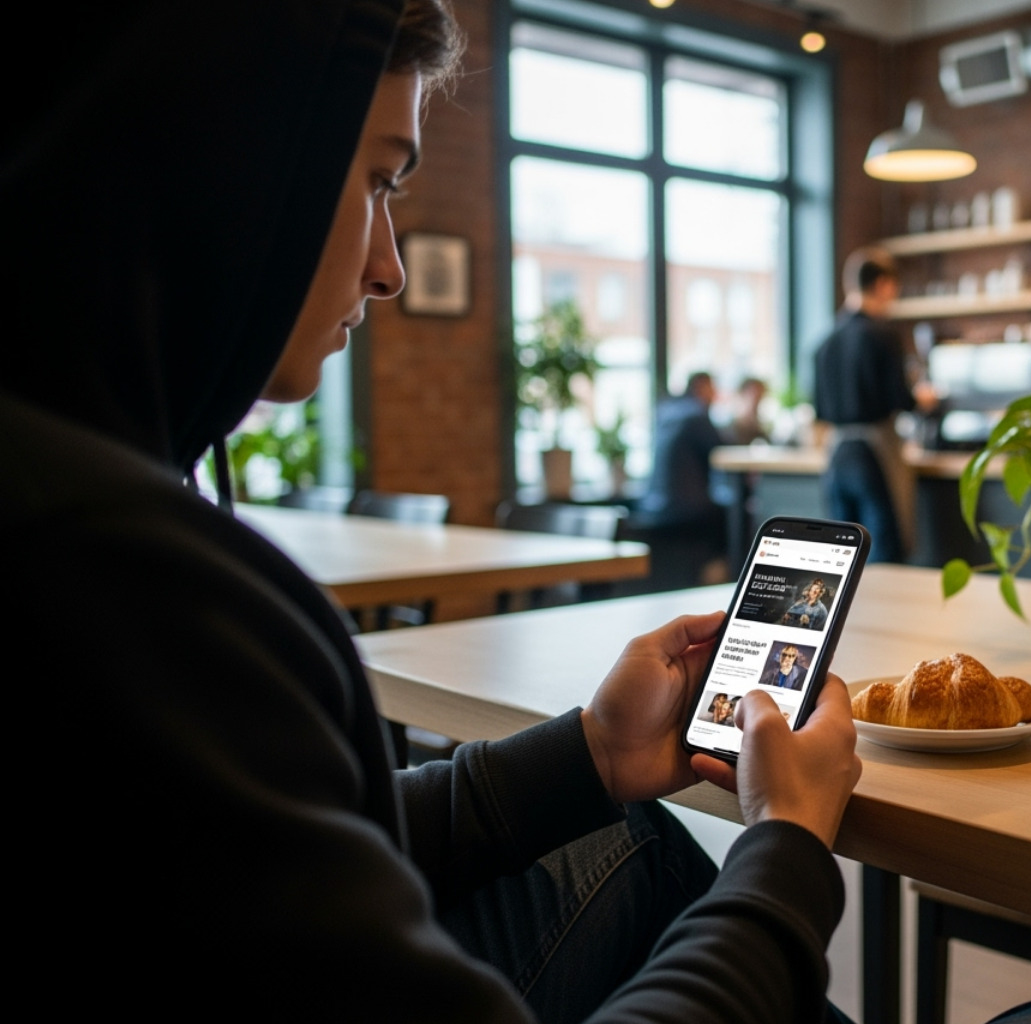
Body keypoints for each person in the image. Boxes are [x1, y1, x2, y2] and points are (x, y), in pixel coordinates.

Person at [4, 3, 865, 1020]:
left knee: (626, 835)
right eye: (372, 180)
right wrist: (787, 855)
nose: (391, 268)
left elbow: (291, 846)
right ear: (220, 166)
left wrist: (587, 749)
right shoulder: (125, 592)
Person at [814, 248, 936, 563]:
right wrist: (922, 399)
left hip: (836, 454)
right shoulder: (883, 335)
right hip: (874, 452)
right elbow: (900, 399)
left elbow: (819, 408)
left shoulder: (826, 341)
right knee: (886, 550)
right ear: (883, 284)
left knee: (843, 556)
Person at [636, 371, 726, 537]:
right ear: (700, 387)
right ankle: (724, 563)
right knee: (736, 516)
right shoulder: (696, 415)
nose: (715, 394)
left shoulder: (667, 411)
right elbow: (722, 451)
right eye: (712, 388)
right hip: (685, 509)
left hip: (652, 506)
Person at [724, 376, 770, 445]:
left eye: (760, 396)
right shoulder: (728, 430)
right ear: (741, 395)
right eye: (753, 395)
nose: (757, 401)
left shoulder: (761, 430)